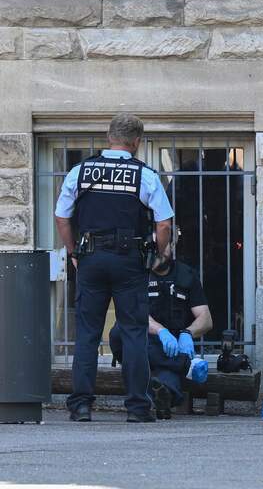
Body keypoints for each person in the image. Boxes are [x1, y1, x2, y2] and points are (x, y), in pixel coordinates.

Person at [54, 113, 173, 423]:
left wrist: (73, 251)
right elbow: (163, 223)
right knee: (134, 333)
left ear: (108, 137)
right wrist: (159, 254)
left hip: (91, 257)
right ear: (136, 142)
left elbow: (62, 217)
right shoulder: (144, 175)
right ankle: (137, 407)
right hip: (129, 261)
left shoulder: (80, 171)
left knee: (88, 333)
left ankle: (81, 405)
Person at [110, 239, 213, 420]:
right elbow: (134, 314)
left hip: (171, 347)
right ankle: (185, 365)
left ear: (172, 246)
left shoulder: (186, 275)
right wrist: (160, 331)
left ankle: (162, 398)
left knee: (165, 380)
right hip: (141, 342)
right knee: (119, 331)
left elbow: (205, 318)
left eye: (162, 244)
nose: (156, 250)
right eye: (151, 245)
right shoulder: (136, 273)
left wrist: (187, 333)